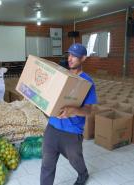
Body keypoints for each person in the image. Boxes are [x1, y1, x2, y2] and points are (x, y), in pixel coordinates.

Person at [40, 43, 97, 185]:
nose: (70, 58)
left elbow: (89, 110)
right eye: (69, 55)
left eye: (75, 56)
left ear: (83, 58)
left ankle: (83, 174)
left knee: (75, 160)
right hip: (52, 127)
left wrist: (73, 111)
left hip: (72, 132)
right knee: (47, 164)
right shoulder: (61, 76)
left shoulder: (87, 82)